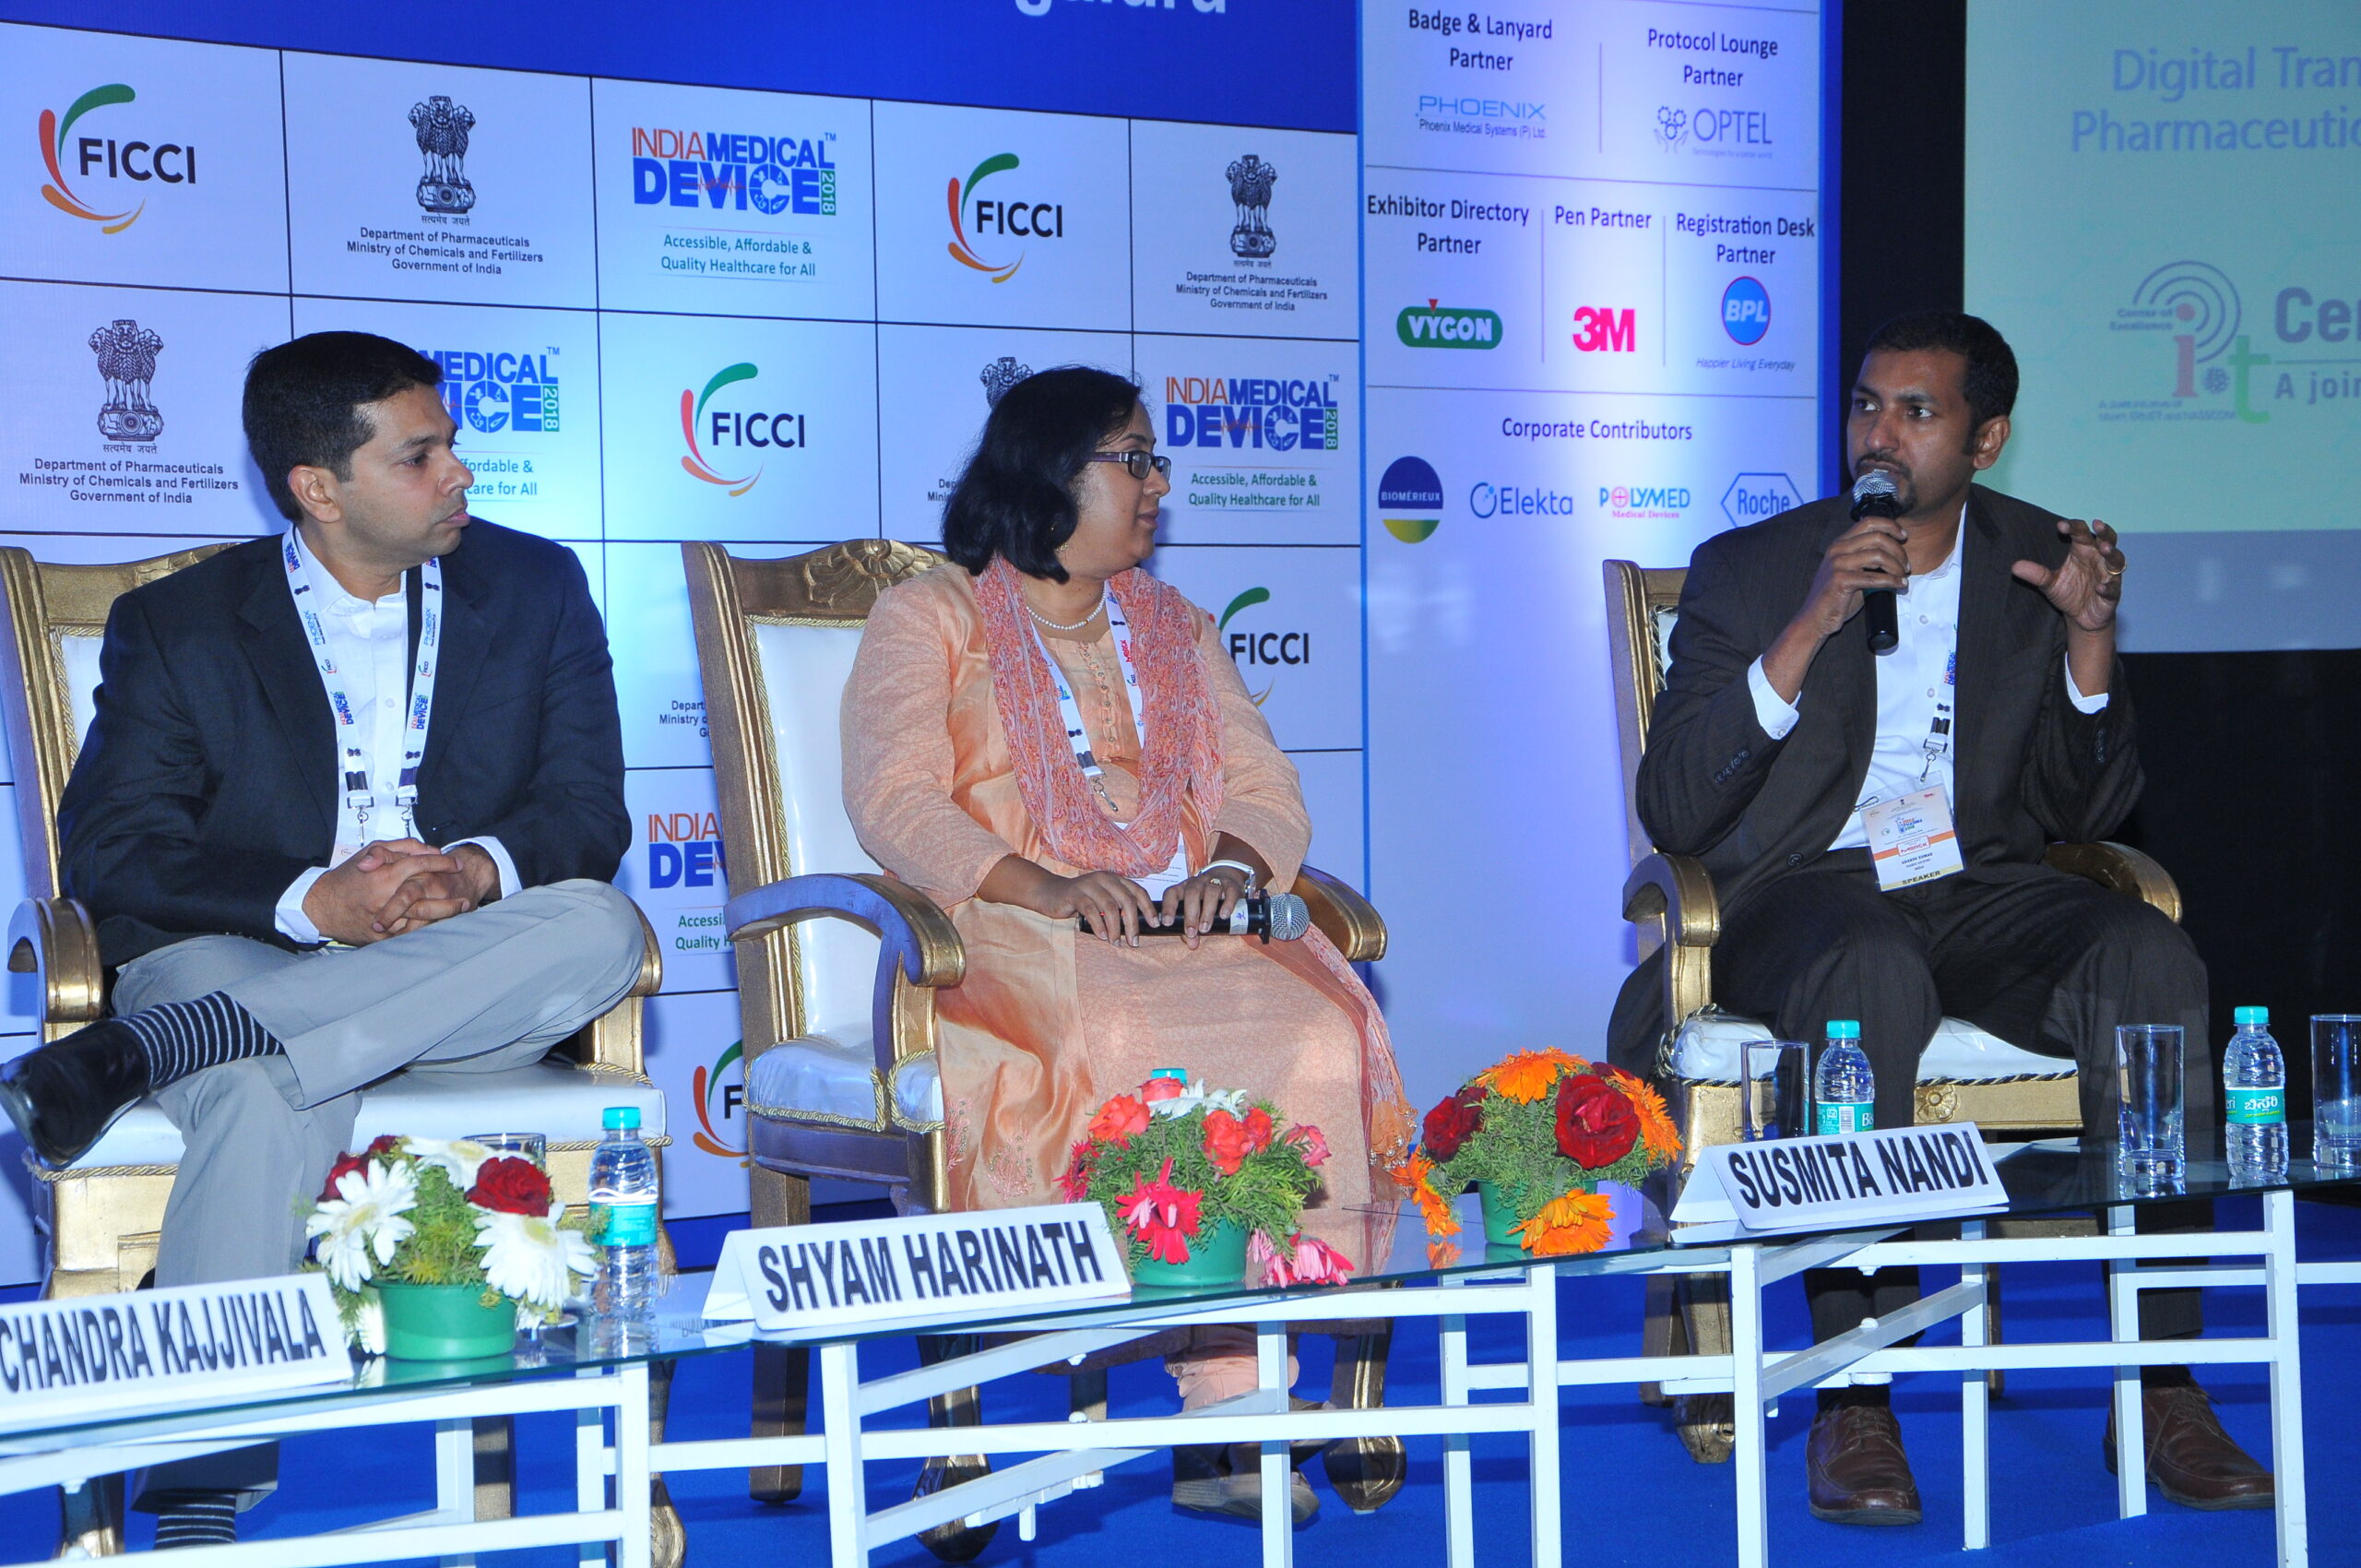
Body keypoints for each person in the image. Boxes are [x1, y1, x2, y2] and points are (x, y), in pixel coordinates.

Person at [1609, 314, 2272, 1524]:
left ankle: (2161, 1380)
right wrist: (1809, 622)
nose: (1880, 432)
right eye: (1867, 404)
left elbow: (2089, 811)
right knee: (1868, 968)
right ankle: (1855, 1393)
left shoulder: (2038, 560)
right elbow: (1676, 806)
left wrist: (2089, 637)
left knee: (2149, 954)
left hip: (1977, 883)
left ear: (1986, 439)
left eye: (1918, 412)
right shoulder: (1754, 567)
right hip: (1802, 893)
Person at [0, 331, 645, 1548]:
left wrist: (473, 870)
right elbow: (116, 851)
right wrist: (311, 901)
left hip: (462, 977)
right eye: (421, 455)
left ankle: (172, 1044)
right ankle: (205, 1492)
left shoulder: (536, 585)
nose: (459, 473)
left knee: (603, 924)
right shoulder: (182, 623)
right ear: (318, 487)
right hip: (246, 951)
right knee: (255, 1087)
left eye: (450, 444)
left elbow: (585, 810)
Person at [841, 365, 1413, 1526]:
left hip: (1186, 925)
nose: (1158, 484)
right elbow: (894, 800)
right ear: (1053, 473)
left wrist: (1229, 870)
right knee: (1121, 1025)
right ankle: (1130, 1399)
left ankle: (1235, 1399)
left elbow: (1264, 785)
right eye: (1134, 459)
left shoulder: (1175, 626)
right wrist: (1047, 886)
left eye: (1156, 459)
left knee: (1312, 1024)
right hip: (1010, 929)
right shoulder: (933, 616)